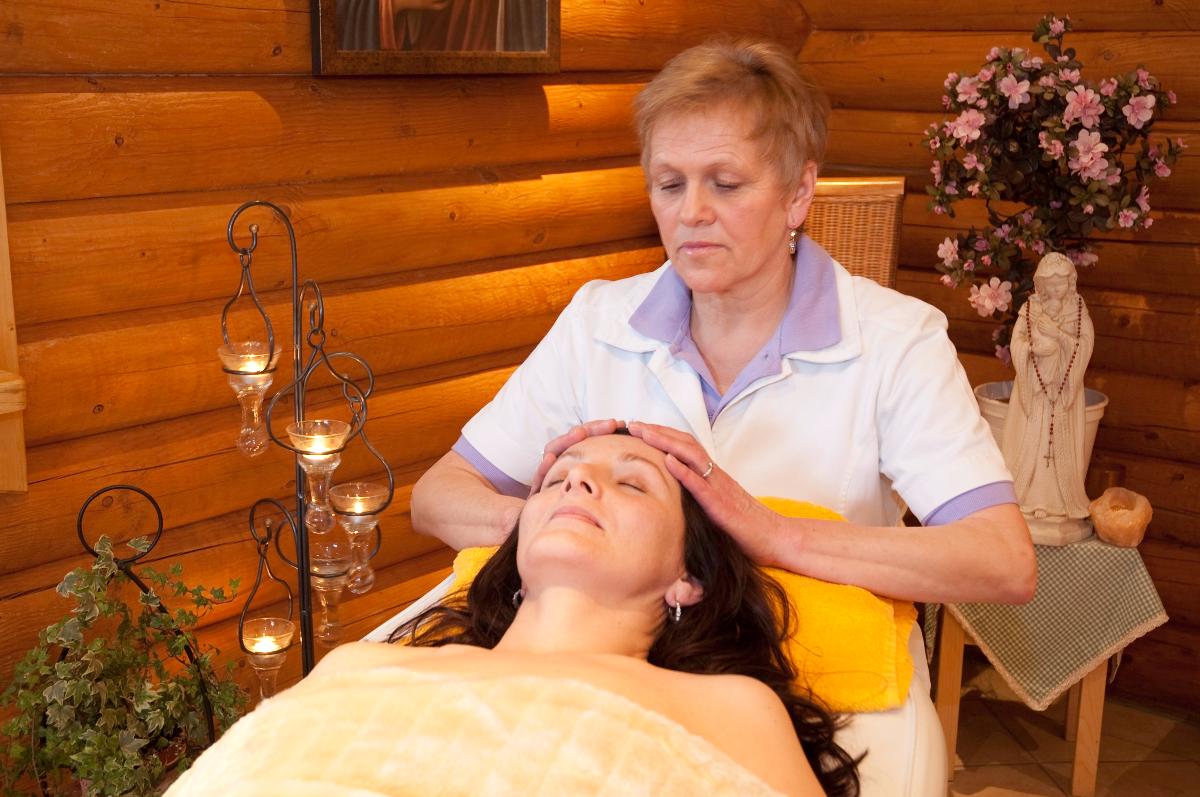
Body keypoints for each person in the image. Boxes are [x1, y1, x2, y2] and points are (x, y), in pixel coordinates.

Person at [410, 38, 1037, 795]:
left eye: (726, 183)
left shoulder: (896, 341)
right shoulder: (599, 321)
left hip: (805, 691)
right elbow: (437, 496)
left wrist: (773, 535)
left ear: (798, 193)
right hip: (597, 676)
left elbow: (1002, 560)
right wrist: (577, 529)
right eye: (669, 184)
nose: (692, 213)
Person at [167, 433, 857, 797]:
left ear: (689, 578)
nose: (577, 480)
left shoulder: (730, 707)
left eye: (631, 483)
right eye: (556, 478)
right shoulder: (358, 665)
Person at [1002, 253, 1095, 525]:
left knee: (1058, 449)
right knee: (1030, 439)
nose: (1056, 290)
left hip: (1062, 389)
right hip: (1035, 386)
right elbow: (1017, 342)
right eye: (1050, 285)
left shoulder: (1078, 310)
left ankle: (1058, 502)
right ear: (1040, 285)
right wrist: (1034, 350)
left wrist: (1059, 337)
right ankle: (1027, 498)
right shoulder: (1030, 308)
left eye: (1061, 284)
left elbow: (1085, 345)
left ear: (1071, 282)